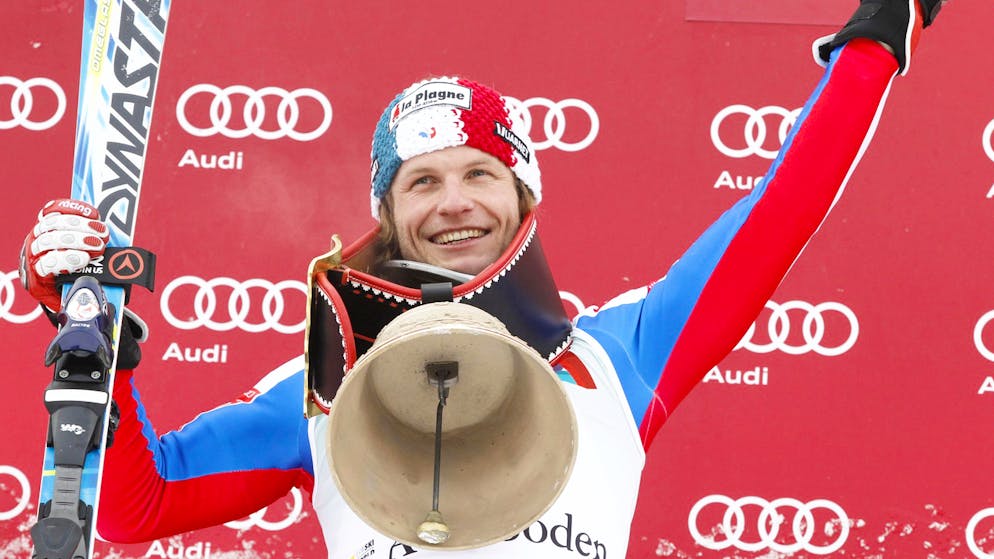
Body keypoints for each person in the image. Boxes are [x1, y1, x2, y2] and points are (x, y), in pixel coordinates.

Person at [19, 1, 947, 557]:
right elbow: (137, 505)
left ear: (523, 193)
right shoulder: (320, 390)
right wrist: (101, 353)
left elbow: (777, 213)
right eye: (421, 180)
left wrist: (876, 39)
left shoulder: (614, 359)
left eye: (480, 174)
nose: (453, 202)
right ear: (388, 211)